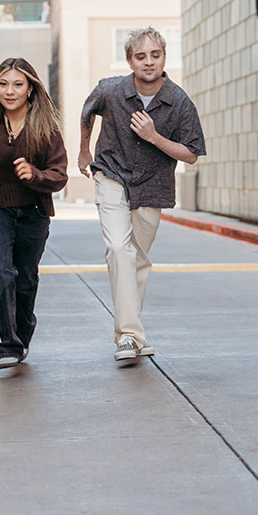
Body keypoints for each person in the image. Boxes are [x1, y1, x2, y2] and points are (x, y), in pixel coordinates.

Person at [78, 27, 205, 362]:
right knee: (119, 249)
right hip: (111, 175)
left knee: (137, 258)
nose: (148, 62)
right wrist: (83, 151)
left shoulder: (178, 101)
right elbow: (87, 112)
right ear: (129, 60)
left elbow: (191, 153)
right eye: (141, 56)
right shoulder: (111, 90)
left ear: (164, 56)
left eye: (155, 55)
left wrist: (154, 137)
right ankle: (130, 336)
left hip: (152, 185)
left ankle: (130, 335)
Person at [0, 57, 68, 370]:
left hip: (34, 213)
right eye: (3, 84)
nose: (9, 91)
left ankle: (23, 331)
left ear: (30, 90)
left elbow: (59, 175)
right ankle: (8, 344)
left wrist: (34, 174)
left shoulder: (47, 129)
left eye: (17, 84)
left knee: (25, 280)